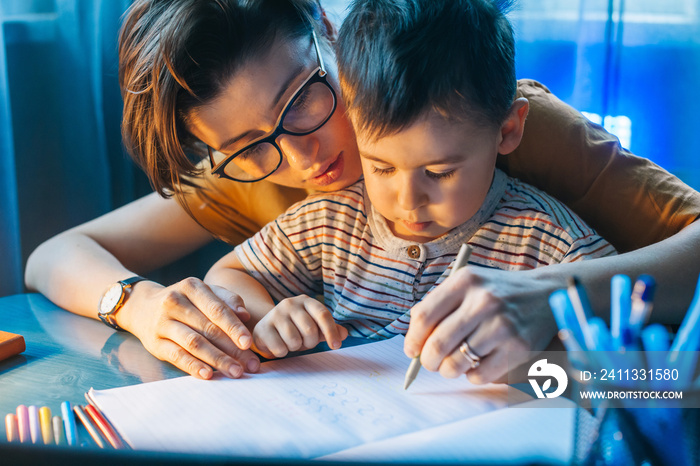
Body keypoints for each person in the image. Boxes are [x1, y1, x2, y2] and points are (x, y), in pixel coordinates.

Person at [23, 0, 700, 383]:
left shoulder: (492, 121)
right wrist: (137, 306)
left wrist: (554, 296)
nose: (303, 154)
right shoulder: (251, 175)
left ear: (328, 34)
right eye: (251, 145)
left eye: (303, 100)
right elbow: (55, 255)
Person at [203, 0, 617, 361]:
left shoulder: (547, 239)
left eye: (439, 172)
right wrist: (269, 316)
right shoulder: (332, 220)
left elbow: (633, 327)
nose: (408, 200)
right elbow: (227, 275)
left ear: (507, 131)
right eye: (380, 167)